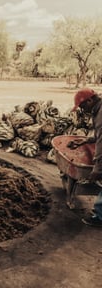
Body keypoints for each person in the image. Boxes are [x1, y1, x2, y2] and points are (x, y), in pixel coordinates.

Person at [68, 87, 102, 227]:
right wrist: (86, 140)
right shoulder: (98, 109)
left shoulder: (101, 114)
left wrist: (98, 168)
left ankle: (100, 218)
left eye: (83, 106)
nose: (83, 110)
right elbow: (99, 135)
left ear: (90, 100)